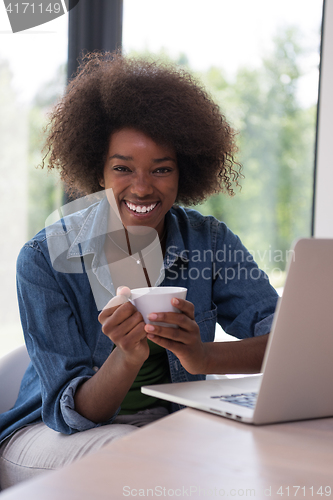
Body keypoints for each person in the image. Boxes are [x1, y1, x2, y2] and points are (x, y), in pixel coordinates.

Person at [0, 52, 278, 489]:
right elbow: (76, 415)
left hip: (165, 430)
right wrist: (127, 355)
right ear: (97, 169)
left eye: (161, 170)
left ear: (183, 173)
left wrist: (203, 357)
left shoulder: (207, 241)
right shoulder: (43, 258)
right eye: (122, 168)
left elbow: (288, 341)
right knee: (133, 453)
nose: (143, 187)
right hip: (49, 436)